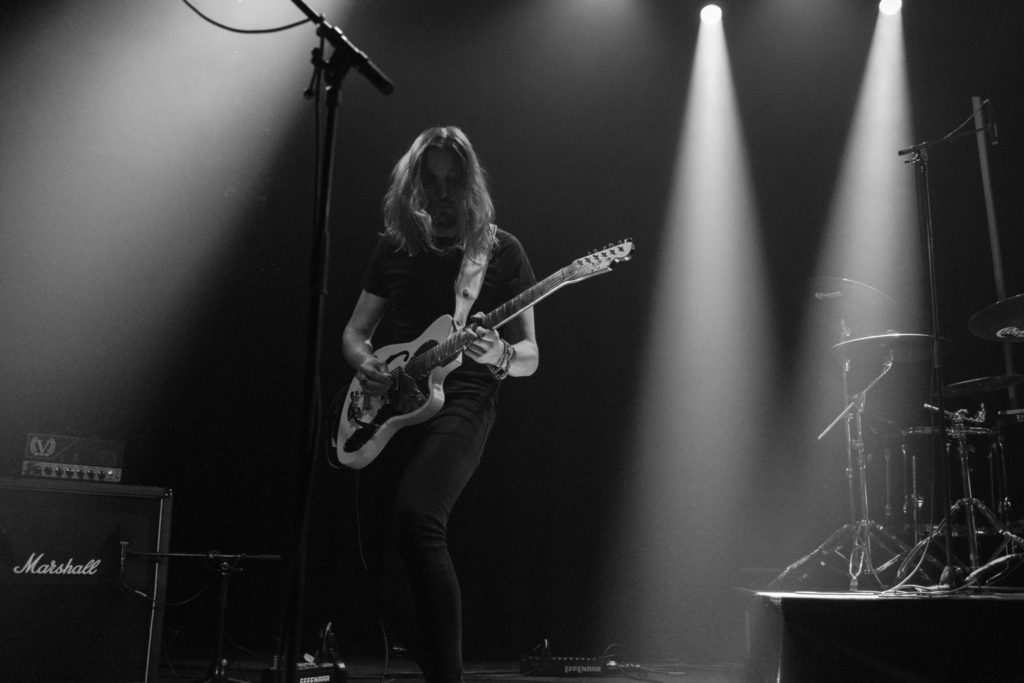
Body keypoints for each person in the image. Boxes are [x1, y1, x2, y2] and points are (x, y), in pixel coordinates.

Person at [341, 126, 539, 682]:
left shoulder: (500, 252)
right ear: (414, 186)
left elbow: (530, 356)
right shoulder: (396, 246)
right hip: (391, 404)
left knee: (418, 520)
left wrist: (500, 353)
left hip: (464, 399)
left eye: (454, 181)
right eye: (431, 181)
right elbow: (355, 332)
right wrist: (365, 363)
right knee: (381, 565)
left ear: (471, 184)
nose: (443, 193)